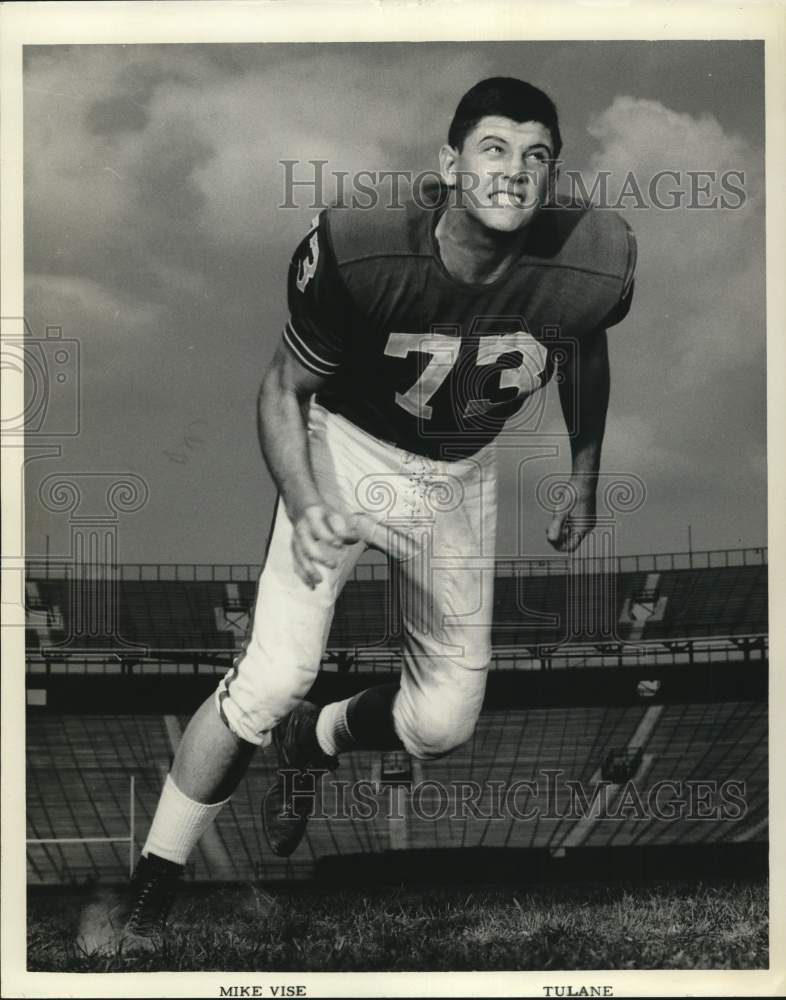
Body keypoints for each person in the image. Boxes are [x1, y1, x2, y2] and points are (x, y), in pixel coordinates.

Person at [79, 76, 636, 954]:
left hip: (460, 474)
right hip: (346, 452)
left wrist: (586, 469)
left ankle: (319, 738)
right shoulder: (366, 246)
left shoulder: (592, 259)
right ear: (448, 162)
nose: (515, 172)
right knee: (271, 679)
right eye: (493, 149)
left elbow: (586, 345)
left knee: (442, 725)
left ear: (553, 176)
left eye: (537, 157)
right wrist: (305, 502)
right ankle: (155, 883)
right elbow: (281, 388)